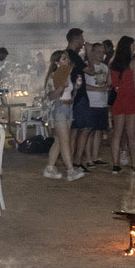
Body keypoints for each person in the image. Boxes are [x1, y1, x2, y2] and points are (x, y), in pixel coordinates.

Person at [42, 51, 84, 182]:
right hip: (59, 108)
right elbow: (50, 96)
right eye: (64, 58)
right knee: (65, 140)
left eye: (67, 58)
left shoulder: (67, 74)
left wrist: (75, 87)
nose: (67, 60)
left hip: (68, 107)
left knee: (59, 141)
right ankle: (70, 170)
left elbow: (69, 94)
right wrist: (61, 88)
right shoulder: (54, 76)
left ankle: (49, 168)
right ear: (57, 62)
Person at [107, 36, 135, 173]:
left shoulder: (112, 62)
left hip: (117, 99)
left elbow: (109, 82)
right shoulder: (133, 62)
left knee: (117, 133)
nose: (134, 48)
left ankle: (115, 165)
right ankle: (134, 165)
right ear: (127, 47)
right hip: (131, 98)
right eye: (132, 46)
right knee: (131, 133)